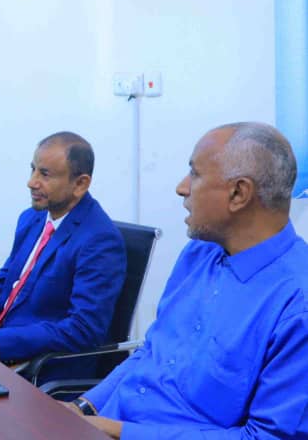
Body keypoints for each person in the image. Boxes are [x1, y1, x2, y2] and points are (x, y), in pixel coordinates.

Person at [66, 122, 308, 439]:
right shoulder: (199, 253)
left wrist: (117, 431)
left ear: (239, 193)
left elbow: (266, 437)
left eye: (194, 174)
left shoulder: (296, 304)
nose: (182, 188)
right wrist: (83, 408)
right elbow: (152, 351)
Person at [0, 132, 126, 381]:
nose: (31, 182)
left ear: (80, 184)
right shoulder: (31, 218)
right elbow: (2, 284)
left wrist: (0, 343)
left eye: (44, 174)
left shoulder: (99, 240)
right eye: (33, 169)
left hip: (35, 365)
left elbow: (84, 328)